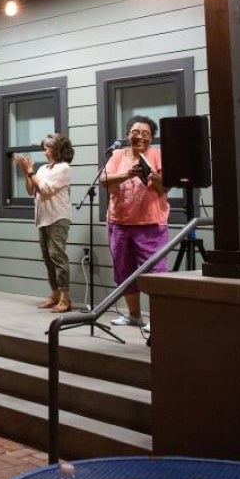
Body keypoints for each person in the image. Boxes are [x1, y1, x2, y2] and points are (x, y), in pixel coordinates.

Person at [101, 115, 169, 328]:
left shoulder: (157, 155)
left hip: (150, 224)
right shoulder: (118, 155)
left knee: (156, 272)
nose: (140, 137)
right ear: (128, 135)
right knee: (124, 271)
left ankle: (158, 319)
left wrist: (152, 176)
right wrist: (128, 174)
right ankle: (134, 316)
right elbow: (104, 179)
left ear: (152, 138)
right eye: (135, 133)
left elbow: (164, 187)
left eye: (146, 134)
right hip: (119, 223)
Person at [14, 133, 74, 313]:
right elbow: (31, 190)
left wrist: (31, 172)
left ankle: (65, 298)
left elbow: (46, 189)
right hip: (43, 218)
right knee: (48, 258)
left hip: (58, 217)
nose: (44, 151)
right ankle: (54, 294)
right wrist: (27, 173)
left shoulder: (63, 168)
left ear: (57, 149)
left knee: (58, 256)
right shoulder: (42, 169)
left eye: (47, 147)